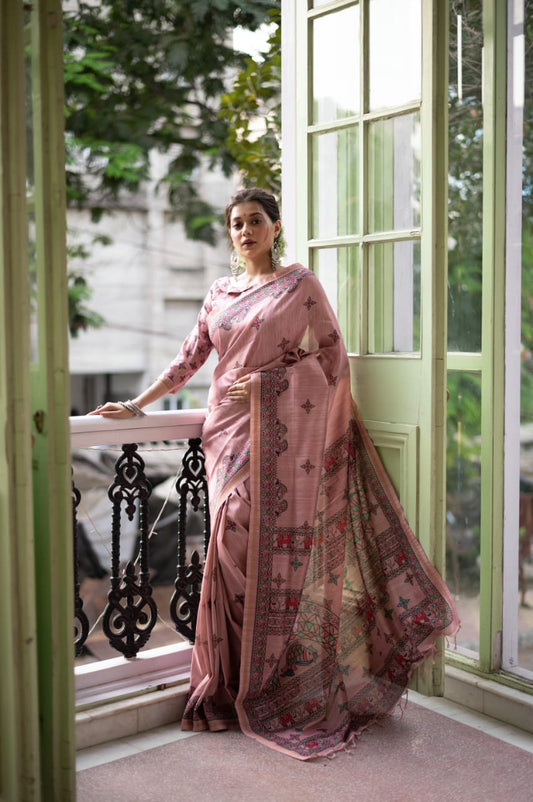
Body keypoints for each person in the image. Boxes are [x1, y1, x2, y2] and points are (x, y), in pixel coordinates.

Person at [91, 187, 460, 760]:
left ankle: (267, 678)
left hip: (278, 434)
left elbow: (332, 359)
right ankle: (229, 682)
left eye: (255, 220)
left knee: (254, 548)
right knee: (228, 550)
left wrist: (272, 383)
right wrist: (137, 405)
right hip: (225, 435)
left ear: (275, 227)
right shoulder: (220, 293)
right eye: (236, 223)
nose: (245, 231)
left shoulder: (300, 285)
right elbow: (189, 358)